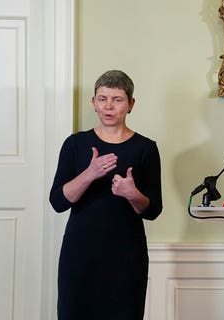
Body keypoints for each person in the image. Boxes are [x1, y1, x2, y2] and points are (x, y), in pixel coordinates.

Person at [49, 70, 162, 319]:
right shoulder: (75, 144)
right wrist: (89, 174)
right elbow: (57, 201)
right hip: (79, 254)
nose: (108, 106)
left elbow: (153, 210)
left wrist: (132, 194)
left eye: (117, 99)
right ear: (93, 102)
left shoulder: (146, 148)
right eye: (102, 99)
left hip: (126, 257)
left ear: (131, 104)